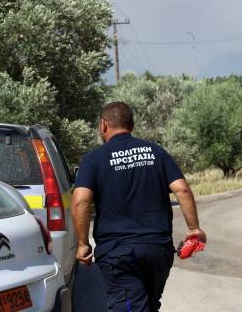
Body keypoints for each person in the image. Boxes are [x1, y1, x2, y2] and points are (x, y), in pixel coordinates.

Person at [71, 101, 207, 312]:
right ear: (131, 125)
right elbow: (182, 190)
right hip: (157, 250)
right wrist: (194, 229)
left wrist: (82, 243)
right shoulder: (155, 152)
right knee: (148, 306)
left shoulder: (94, 159)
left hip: (118, 253)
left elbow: (80, 201)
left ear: (104, 125)